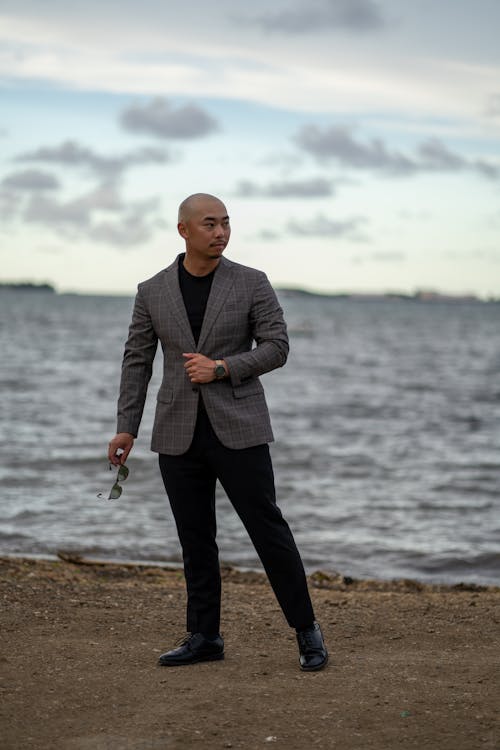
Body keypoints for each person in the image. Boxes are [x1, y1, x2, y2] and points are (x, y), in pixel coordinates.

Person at [107, 193, 328, 671]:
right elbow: (137, 361)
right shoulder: (152, 290)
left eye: (226, 223)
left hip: (240, 427)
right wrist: (126, 427)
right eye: (210, 224)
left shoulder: (251, 282)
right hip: (176, 432)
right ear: (184, 230)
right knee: (195, 538)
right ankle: (204, 636)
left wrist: (223, 367)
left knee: (268, 530)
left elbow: (277, 347)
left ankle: (307, 630)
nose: (221, 232)